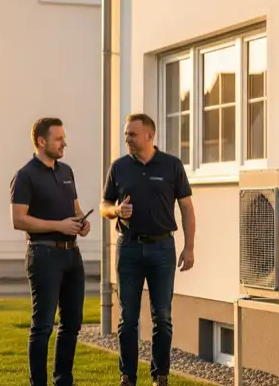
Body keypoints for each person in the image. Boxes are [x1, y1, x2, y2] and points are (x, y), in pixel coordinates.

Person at [100, 113, 196, 386]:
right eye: (126, 133)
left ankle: (160, 376)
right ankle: (127, 377)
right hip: (128, 248)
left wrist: (189, 248)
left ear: (149, 136)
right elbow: (105, 205)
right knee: (127, 317)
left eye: (132, 134)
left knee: (162, 317)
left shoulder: (171, 165)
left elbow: (187, 207)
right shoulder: (118, 167)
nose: (127, 138)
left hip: (162, 249)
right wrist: (117, 210)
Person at [10, 117, 92, 386]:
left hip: (72, 255)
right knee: (43, 325)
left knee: (72, 323)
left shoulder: (66, 171)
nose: (64, 143)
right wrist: (59, 225)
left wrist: (82, 222)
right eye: (59, 138)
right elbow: (19, 220)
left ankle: (63, 381)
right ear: (41, 141)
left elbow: (75, 208)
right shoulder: (25, 176)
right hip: (43, 255)